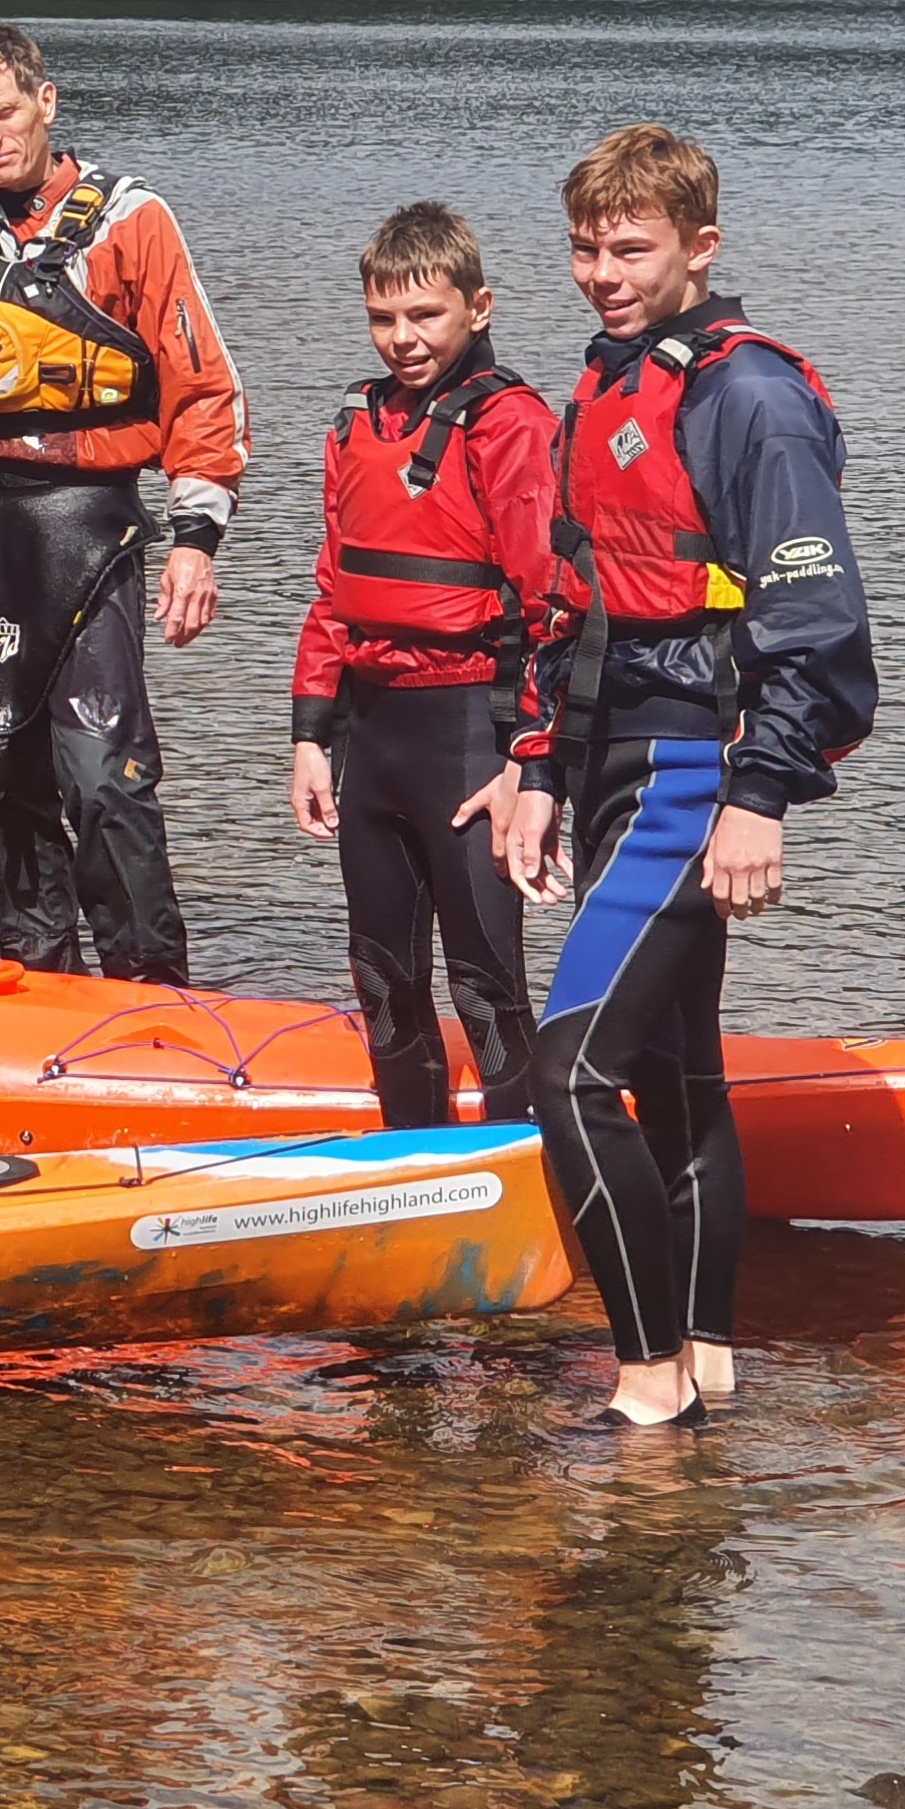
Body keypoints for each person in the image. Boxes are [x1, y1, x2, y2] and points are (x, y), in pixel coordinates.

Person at [495, 124, 875, 1433]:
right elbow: (569, 604)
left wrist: (760, 792)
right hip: (613, 755)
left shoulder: (750, 400)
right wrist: (538, 763)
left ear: (700, 249)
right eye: (587, 248)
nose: (604, 272)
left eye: (633, 248)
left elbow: (818, 630)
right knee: (676, 1065)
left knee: (573, 1072)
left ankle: (649, 1386)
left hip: (692, 770)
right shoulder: (605, 384)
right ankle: (707, 1358)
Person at [0, 18, 243, 981]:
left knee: (105, 777)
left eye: (5, 110)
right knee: (8, 775)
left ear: (46, 101)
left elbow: (201, 387)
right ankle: (38, 993)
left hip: (91, 527)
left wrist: (196, 539)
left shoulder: (132, 221)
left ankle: (152, 997)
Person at [290, 200, 552, 1128]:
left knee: (485, 986)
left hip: (468, 741)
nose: (401, 339)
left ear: (478, 307)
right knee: (384, 982)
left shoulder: (510, 425)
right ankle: (412, 1176)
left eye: (425, 316)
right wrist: (312, 735)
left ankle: (532, 1173)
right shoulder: (355, 425)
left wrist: (531, 760)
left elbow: (552, 604)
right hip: (373, 739)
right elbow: (332, 590)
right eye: (382, 318)